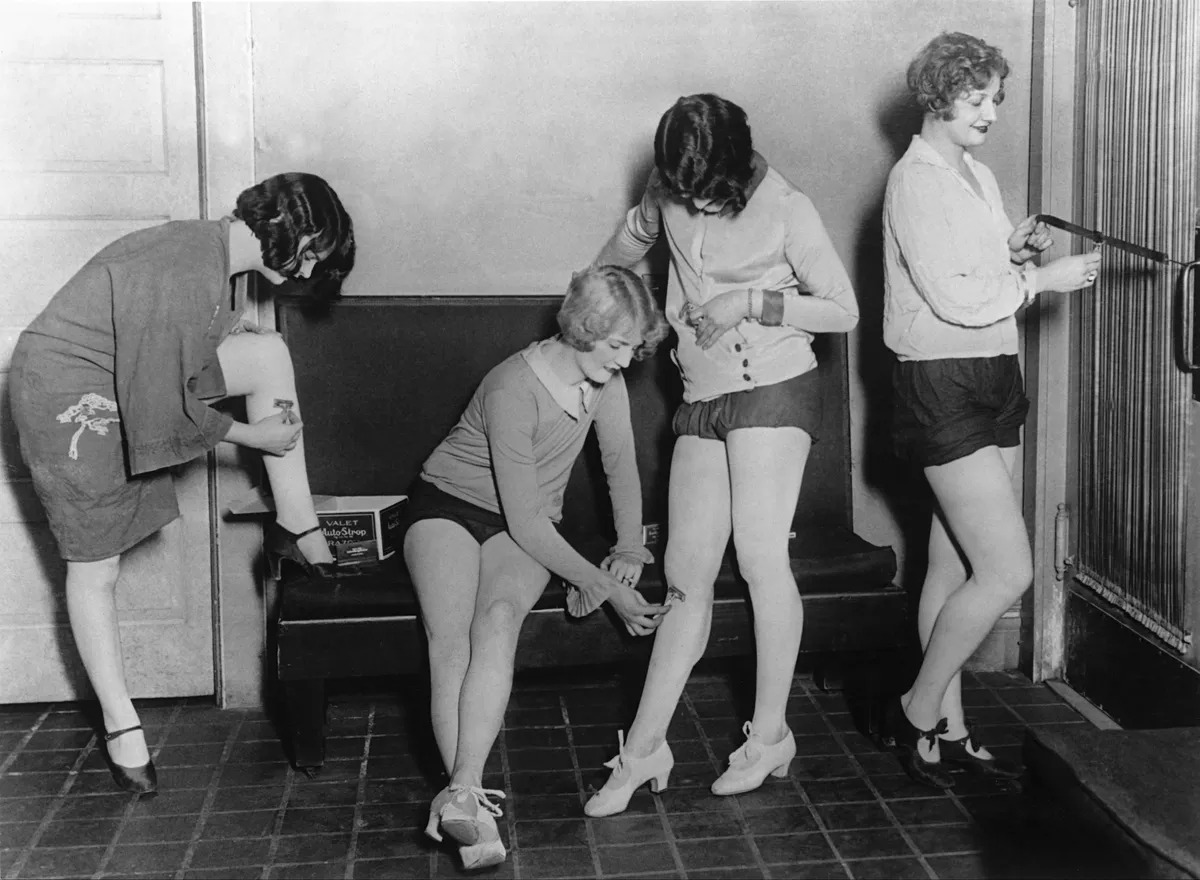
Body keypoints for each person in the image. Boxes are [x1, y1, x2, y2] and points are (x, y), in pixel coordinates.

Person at [9, 172, 356, 796]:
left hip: (125, 373)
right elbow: (158, 405)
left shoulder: (217, 258)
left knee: (267, 353)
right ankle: (121, 726)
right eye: (312, 254)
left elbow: (163, 353)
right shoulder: (190, 264)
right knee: (95, 566)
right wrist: (255, 437)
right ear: (287, 227)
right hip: (66, 387)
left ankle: (297, 525)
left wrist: (226, 344)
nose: (308, 272)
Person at [583, 93, 860, 817]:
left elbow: (844, 310)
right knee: (685, 574)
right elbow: (620, 257)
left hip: (774, 385)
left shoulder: (789, 208)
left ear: (735, 166)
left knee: (762, 557)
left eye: (709, 192)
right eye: (685, 192)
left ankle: (769, 737)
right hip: (702, 392)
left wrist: (752, 303)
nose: (698, 205)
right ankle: (644, 749)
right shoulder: (670, 188)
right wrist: (619, 268)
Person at [881, 32, 1102, 788]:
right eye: (977, 98)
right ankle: (914, 709)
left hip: (995, 373)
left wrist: (1012, 252)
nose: (991, 113)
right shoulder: (913, 181)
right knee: (1008, 570)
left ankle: (946, 729)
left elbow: (976, 276)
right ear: (938, 95)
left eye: (996, 99)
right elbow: (953, 299)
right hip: (939, 381)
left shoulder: (974, 173)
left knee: (952, 564)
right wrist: (1043, 280)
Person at [406, 266, 669, 871]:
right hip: (448, 505)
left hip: (522, 524)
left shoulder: (605, 382)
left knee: (498, 618)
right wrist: (601, 585)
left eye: (633, 348)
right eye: (617, 344)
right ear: (584, 327)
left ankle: (461, 794)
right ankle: (470, 801)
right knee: (450, 640)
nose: (625, 360)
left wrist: (630, 548)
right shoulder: (511, 385)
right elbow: (526, 521)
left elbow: (620, 469)